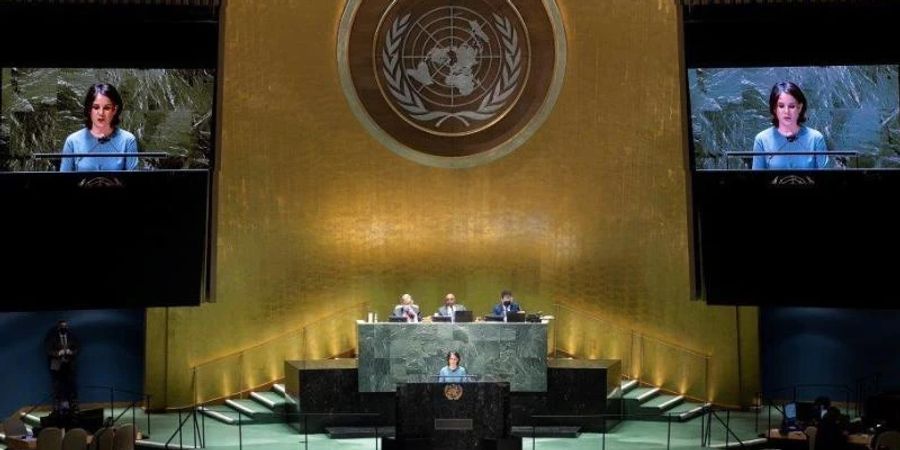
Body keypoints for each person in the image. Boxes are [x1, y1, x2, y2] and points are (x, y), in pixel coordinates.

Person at [60, 83, 139, 172]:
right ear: (89, 109)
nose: (101, 113)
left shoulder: (128, 140)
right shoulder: (72, 141)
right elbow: (63, 182)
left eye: (106, 108)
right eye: (96, 107)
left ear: (115, 110)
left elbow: (134, 182)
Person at [752, 81, 829, 170]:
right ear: (774, 108)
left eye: (791, 106)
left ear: (799, 107)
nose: (786, 112)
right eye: (781, 106)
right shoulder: (761, 140)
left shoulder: (816, 139)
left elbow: (826, 180)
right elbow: (756, 181)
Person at [44, 320, 80, 413]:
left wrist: (71, 352)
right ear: (59, 328)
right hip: (57, 365)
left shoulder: (72, 336)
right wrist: (58, 353)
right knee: (57, 386)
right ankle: (56, 406)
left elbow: (77, 348)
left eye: (65, 326)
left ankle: (74, 405)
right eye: (62, 326)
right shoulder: (52, 338)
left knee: (71, 385)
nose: (64, 328)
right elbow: (48, 350)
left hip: (70, 364)